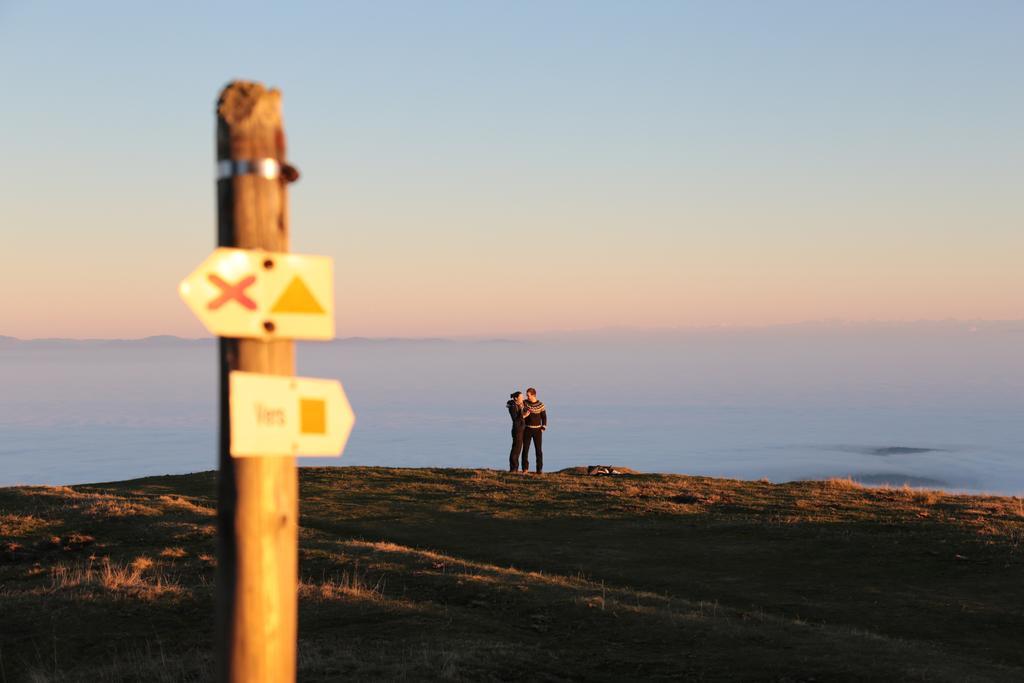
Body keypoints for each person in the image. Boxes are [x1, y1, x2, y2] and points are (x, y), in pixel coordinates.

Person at [520, 387, 547, 473]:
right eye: (526, 395)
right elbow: (519, 406)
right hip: (527, 429)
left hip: (538, 430)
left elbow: (544, 417)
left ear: (533, 395)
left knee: (538, 450)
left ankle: (539, 470)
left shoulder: (541, 405)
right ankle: (525, 469)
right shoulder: (525, 403)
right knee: (525, 449)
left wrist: (543, 427)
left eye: (528, 395)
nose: (527, 397)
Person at [506, 391, 528, 472]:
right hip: (517, 429)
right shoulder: (512, 406)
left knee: (518, 448)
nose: (522, 399)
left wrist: (523, 410)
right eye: (521, 397)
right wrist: (524, 415)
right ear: (516, 398)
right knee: (516, 449)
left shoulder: (519, 405)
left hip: (520, 429)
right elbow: (515, 419)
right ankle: (513, 468)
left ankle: (515, 468)